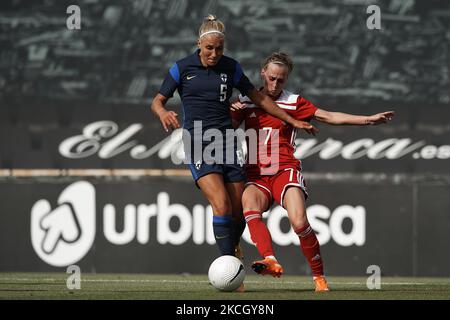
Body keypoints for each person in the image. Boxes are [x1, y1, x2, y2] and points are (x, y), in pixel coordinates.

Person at [150, 16, 317, 288]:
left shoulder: (231, 68)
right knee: (222, 205)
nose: (215, 54)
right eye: (209, 48)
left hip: (227, 142)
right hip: (199, 142)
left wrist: (291, 120)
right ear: (199, 45)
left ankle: (233, 247)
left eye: (219, 48)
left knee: (239, 211)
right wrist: (162, 112)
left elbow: (258, 97)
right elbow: (157, 101)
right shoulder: (181, 68)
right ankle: (230, 268)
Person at [231, 52, 395, 292]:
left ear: (287, 80)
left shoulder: (293, 102)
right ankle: (270, 260)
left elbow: (329, 116)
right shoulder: (245, 100)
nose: (275, 84)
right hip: (255, 174)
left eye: (281, 80)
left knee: (299, 222)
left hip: (284, 170)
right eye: (272, 78)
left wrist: (368, 120)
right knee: (249, 206)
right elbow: (225, 126)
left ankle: (319, 278)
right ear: (263, 73)